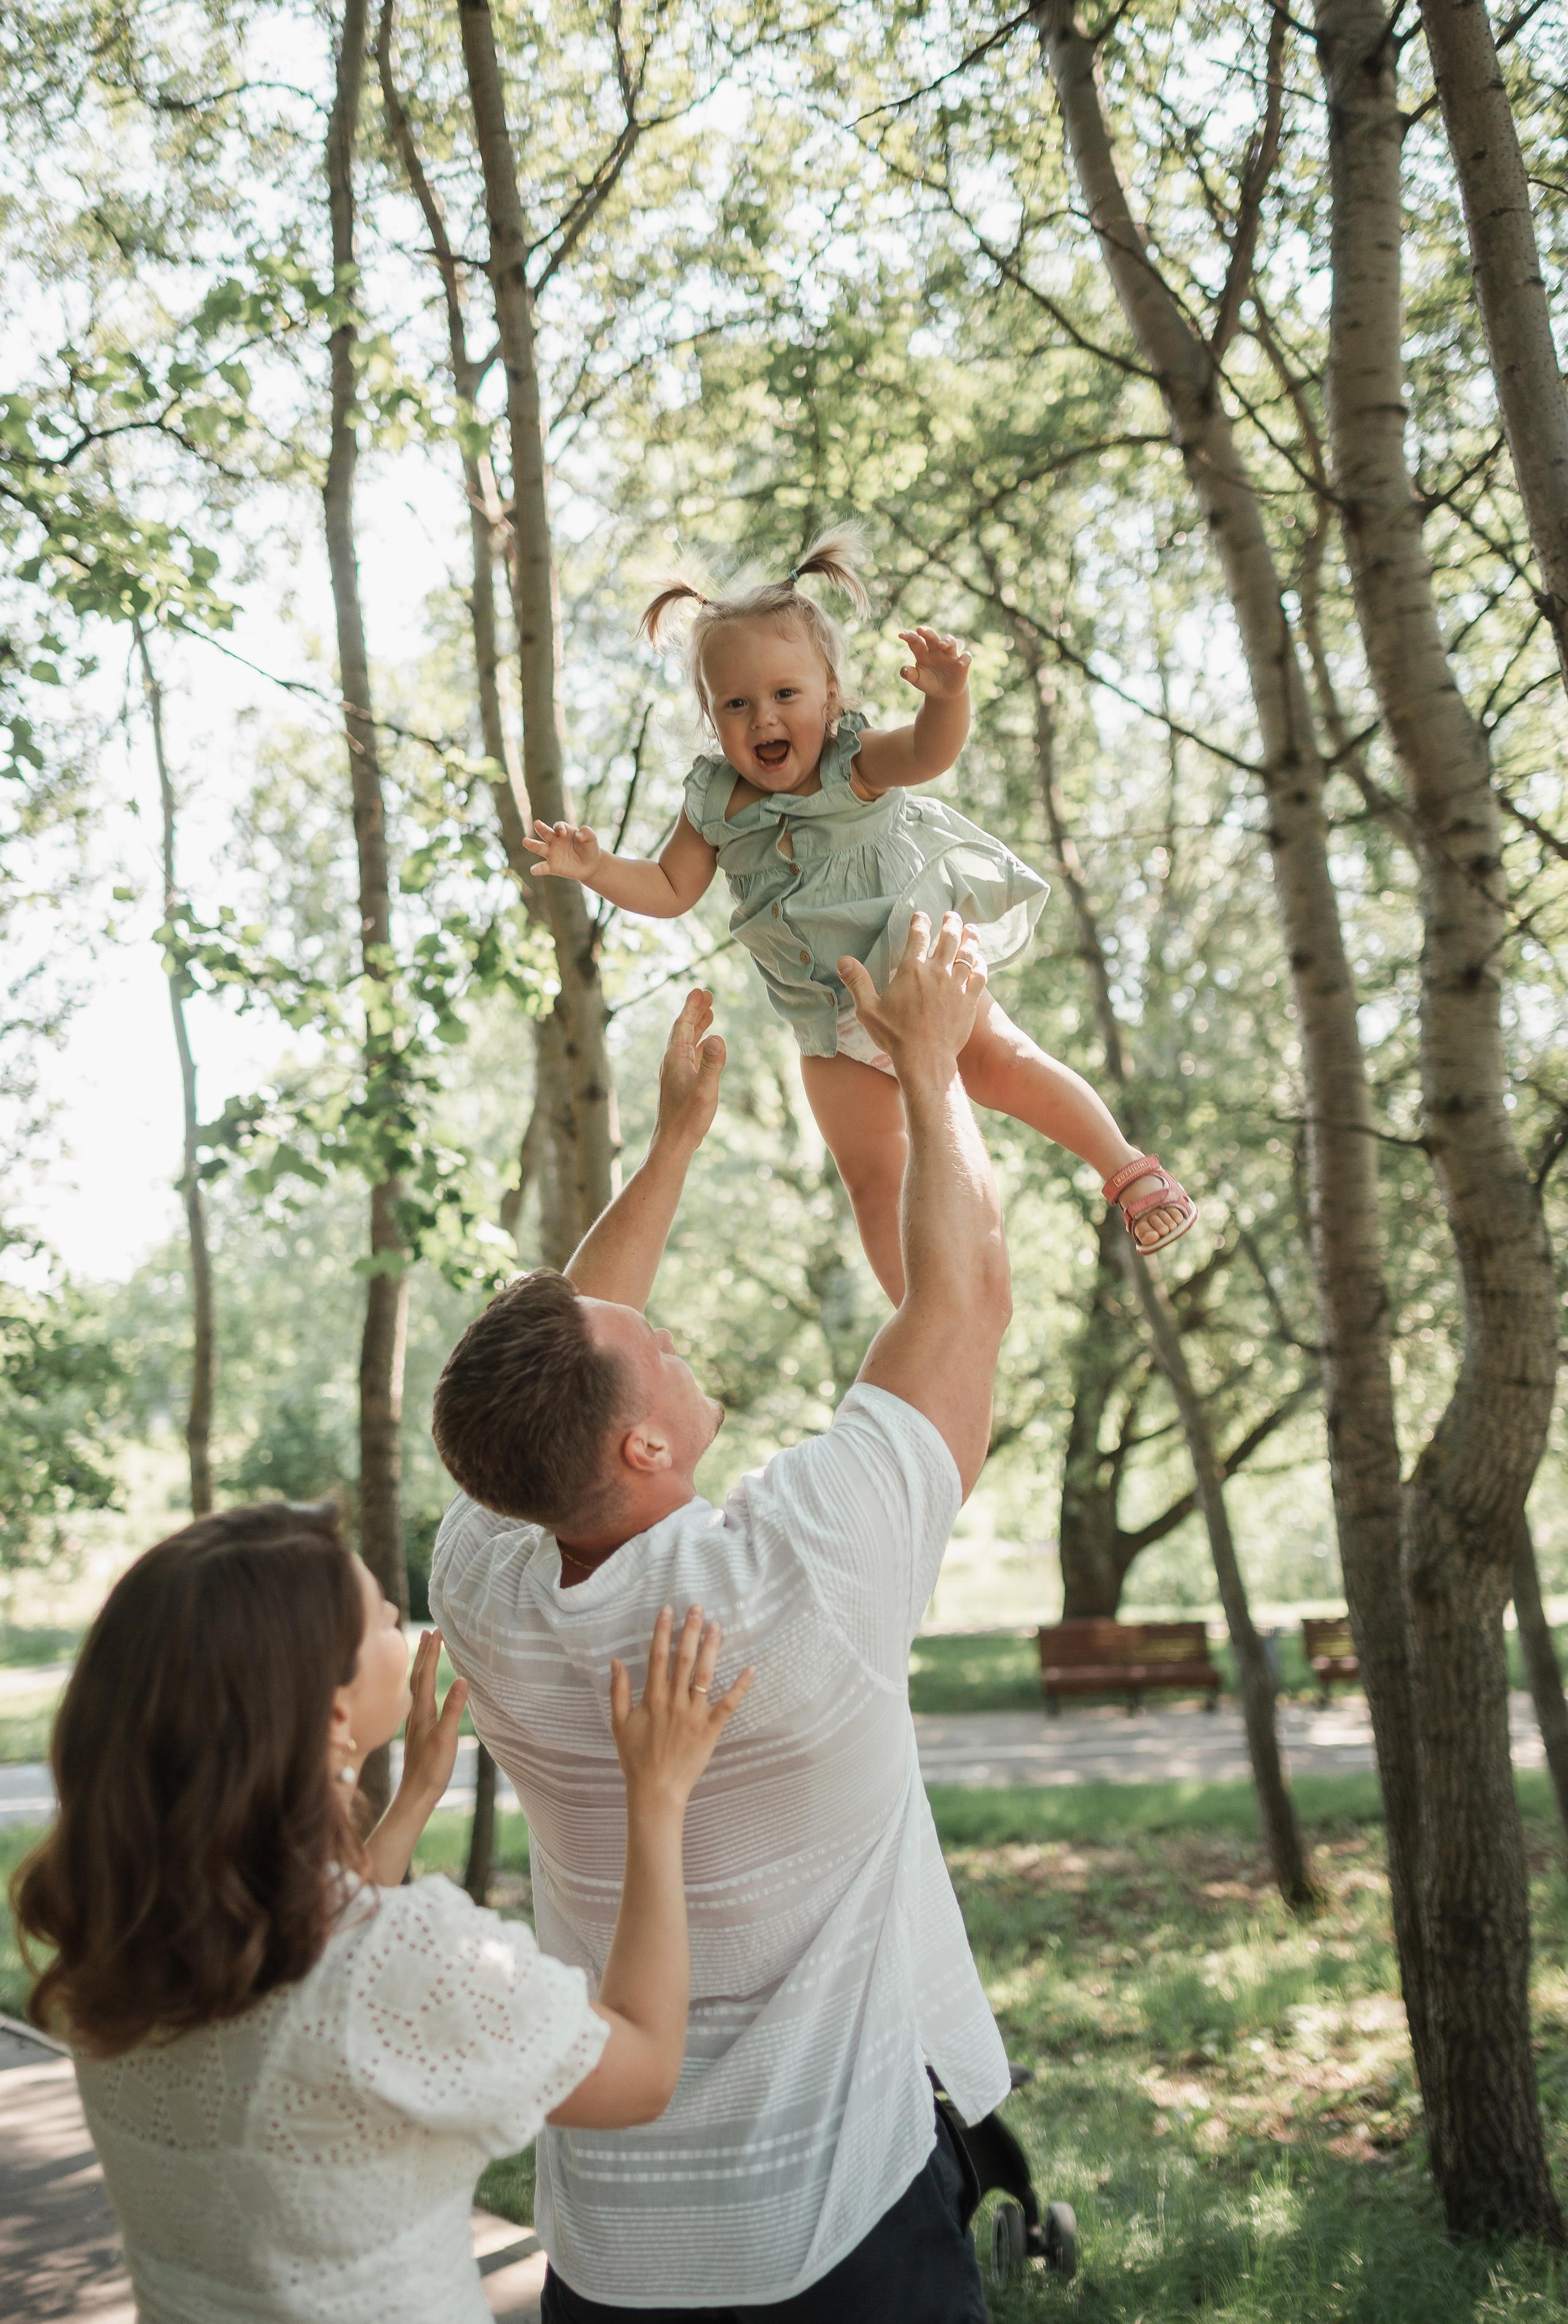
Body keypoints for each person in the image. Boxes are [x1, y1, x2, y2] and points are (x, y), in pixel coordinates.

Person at [428, 922, 1014, 2322]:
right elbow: (965, 1299)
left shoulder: (484, 1579)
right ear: (635, 1450)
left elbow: (581, 1334)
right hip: (841, 2220)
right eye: (659, 1349)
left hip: (615, 2244)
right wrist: (929, 1068)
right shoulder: (799, 1570)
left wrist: (671, 1148)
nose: (669, 1329)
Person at [10, 1500, 750, 2324]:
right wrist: (656, 1797)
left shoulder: (123, 1930)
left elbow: (312, 1973)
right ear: (331, 1714)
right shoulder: (405, 1962)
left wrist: (408, 1802)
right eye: (383, 1617)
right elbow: (643, 2070)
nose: (405, 1619)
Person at [523, 523, 1194, 1302]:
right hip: (828, 1028)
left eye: (785, 695)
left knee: (1002, 1065)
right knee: (874, 1182)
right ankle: (924, 1312)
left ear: (830, 696)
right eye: (735, 704)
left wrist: (948, 697)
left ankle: (1127, 1169)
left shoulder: (854, 762)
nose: (762, 719)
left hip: (920, 985)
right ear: (711, 719)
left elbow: (929, 753)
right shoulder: (712, 802)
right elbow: (671, 891)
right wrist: (597, 868)